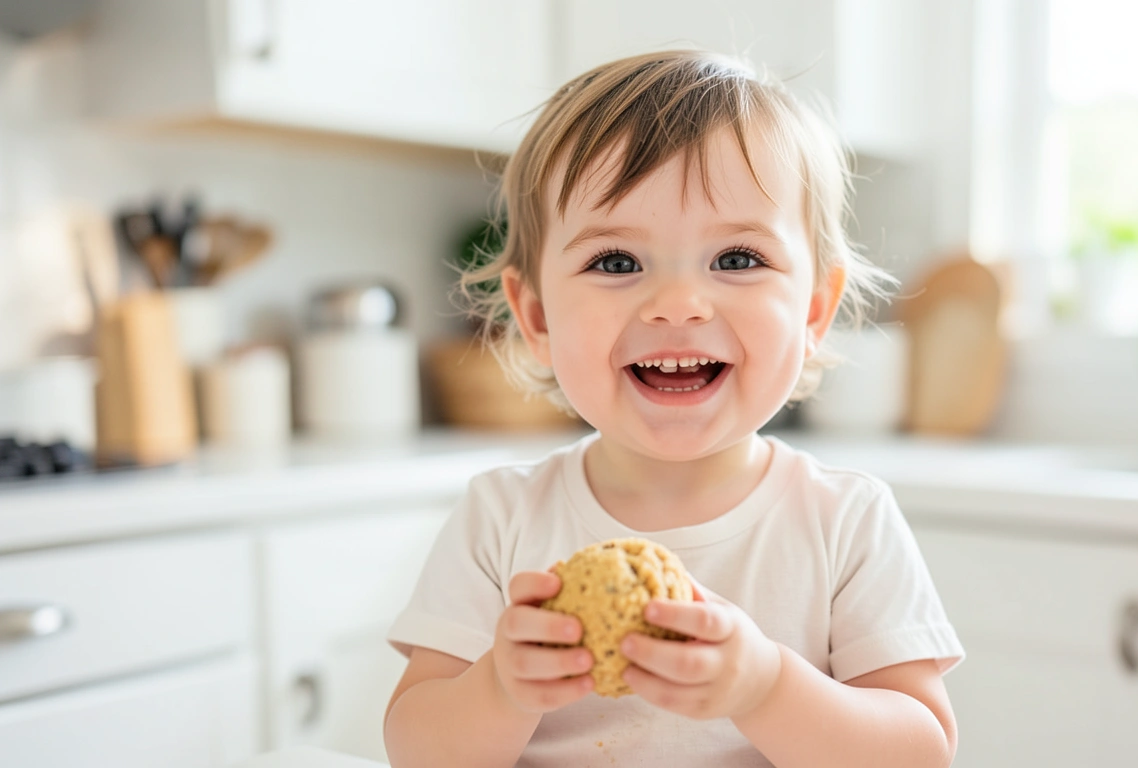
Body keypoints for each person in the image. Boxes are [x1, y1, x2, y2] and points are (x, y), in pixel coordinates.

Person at [384, 49, 964, 767]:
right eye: (617, 262)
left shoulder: (845, 521)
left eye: (737, 259)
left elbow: (919, 752)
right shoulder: (501, 517)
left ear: (815, 311)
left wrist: (768, 687)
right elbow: (416, 748)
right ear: (536, 319)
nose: (679, 304)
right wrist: (501, 688)